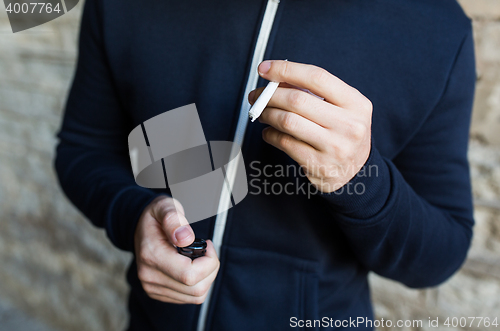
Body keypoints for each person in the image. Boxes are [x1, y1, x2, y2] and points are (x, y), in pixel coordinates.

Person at [55, 0, 476, 329]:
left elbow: (443, 250)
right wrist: (135, 215)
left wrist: (359, 177)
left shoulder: (436, 29)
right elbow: (84, 148)